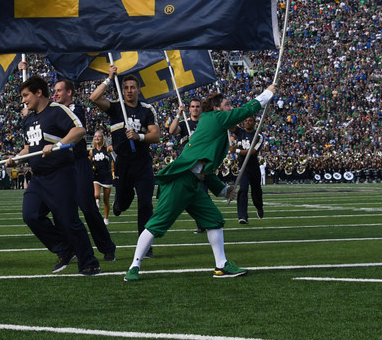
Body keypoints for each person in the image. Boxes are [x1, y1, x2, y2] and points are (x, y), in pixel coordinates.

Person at [124, 85, 276, 282]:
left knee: (213, 219)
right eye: (226, 104)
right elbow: (245, 111)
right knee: (157, 223)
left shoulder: (216, 128)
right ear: (216, 108)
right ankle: (134, 266)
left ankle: (221, 265)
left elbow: (204, 169)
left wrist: (223, 190)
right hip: (181, 180)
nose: (230, 107)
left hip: (193, 183)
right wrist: (267, 94)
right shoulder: (215, 119)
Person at [8, 75, 100, 275]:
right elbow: (28, 148)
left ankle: (89, 262)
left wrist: (57, 145)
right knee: (30, 215)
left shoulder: (58, 111)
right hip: (38, 178)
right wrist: (16, 158)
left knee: (68, 220)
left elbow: (79, 130)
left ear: (38, 92)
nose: (23, 100)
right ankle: (64, 249)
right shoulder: (28, 120)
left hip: (61, 175)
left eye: (26, 95)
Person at [89, 66, 159, 249]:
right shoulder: (115, 107)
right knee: (124, 200)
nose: (129, 90)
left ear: (138, 89)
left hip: (142, 161)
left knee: (145, 203)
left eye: (132, 87)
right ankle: (118, 203)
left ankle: (145, 246)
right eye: (126, 87)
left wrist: (139, 136)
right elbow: (94, 98)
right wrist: (109, 78)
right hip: (123, 163)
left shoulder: (147, 110)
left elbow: (156, 135)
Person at [53, 78, 115, 261]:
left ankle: (107, 247)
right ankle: (70, 248)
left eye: (59, 90)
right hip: (62, 165)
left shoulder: (75, 110)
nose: (55, 94)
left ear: (69, 92)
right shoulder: (54, 111)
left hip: (78, 163)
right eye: (54, 91)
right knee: (61, 209)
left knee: (87, 208)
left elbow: (74, 129)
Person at [231, 115, 264, 224]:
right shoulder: (240, 132)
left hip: (253, 166)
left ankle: (259, 206)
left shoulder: (258, 136)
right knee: (243, 189)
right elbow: (230, 124)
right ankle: (242, 216)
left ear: (254, 123)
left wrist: (236, 151)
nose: (247, 122)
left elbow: (252, 152)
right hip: (243, 166)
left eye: (250, 121)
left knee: (256, 191)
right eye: (246, 120)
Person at [90, 129, 114, 224]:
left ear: (102, 138)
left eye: (99, 136)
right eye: (95, 136)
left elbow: (116, 146)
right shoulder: (92, 152)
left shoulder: (107, 149)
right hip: (97, 176)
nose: (97, 138)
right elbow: (89, 163)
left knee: (106, 200)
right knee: (96, 195)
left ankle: (106, 218)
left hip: (107, 176)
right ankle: (97, 200)